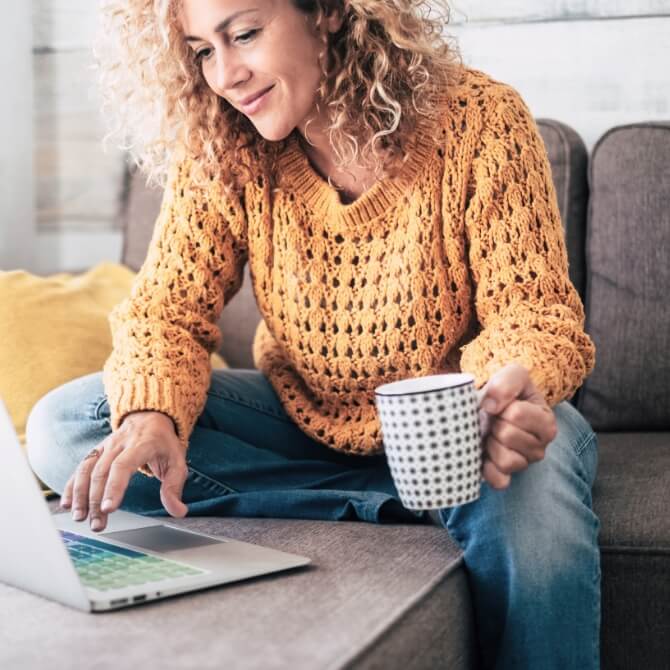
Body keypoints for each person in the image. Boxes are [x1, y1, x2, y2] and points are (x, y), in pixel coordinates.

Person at [26, 1, 600, 668]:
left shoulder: (482, 121)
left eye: (243, 34)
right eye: (203, 51)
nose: (226, 74)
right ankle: (407, 505)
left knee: (531, 485)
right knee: (66, 426)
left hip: (462, 432)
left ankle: (430, 496)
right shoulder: (224, 144)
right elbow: (165, 312)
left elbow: (535, 315)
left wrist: (499, 398)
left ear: (328, 12)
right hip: (307, 424)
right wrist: (153, 414)